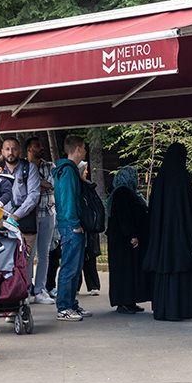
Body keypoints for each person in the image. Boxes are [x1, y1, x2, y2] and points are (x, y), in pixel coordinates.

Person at [143, 143, 192, 321]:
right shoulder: (184, 180)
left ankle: (163, 309)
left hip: (162, 238)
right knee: (182, 268)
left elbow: (152, 210)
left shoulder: (160, 180)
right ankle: (184, 309)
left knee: (164, 271)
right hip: (181, 237)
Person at [52, 136, 89, 321]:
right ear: (77, 149)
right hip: (70, 226)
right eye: (83, 149)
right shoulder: (67, 172)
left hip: (70, 224)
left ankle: (71, 304)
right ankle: (64, 307)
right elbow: (67, 200)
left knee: (75, 266)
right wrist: (75, 224)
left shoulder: (68, 170)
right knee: (69, 267)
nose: (84, 152)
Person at [106, 166, 151, 314]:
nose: (137, 179)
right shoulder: (122, 193)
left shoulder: (129, 192)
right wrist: (131, 234)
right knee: (124, 272)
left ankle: (129, 301)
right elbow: (124, 217)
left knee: (129, 271)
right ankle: (123, 302)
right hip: (123, 241)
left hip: (124, 242)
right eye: (135, 176)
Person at [0, 137, 40, 273]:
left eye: (14, 149)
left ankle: (24, 292)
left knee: (24, 261)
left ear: (19, 150)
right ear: (2, 151)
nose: (10, 152)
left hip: (24, 221)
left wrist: (16, 216)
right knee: (3, 261)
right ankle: (5, 292)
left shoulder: (29, 168)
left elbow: (33, 196)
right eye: (7, 149)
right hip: (2, 223)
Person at [25, 136, 56, 305]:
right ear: (29, 149)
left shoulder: (49, 166)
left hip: (48, 212)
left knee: (44, 253)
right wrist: (41, 183)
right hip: (29, 215)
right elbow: (23, 188)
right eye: (37, 146)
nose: (41, 148)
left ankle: (40, 289)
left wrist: (35, 183)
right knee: (28, 254)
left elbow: (52, 185)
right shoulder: (23, 166)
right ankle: (27, 287)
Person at [77, 161, 101, 296]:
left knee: (90, 257)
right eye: (84, 170)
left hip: (89, 228)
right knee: (78, 258)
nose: (86, 172)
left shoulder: (88, 185)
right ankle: (77, 286)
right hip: (80, 225)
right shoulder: (77, 186)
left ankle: (93, 285)